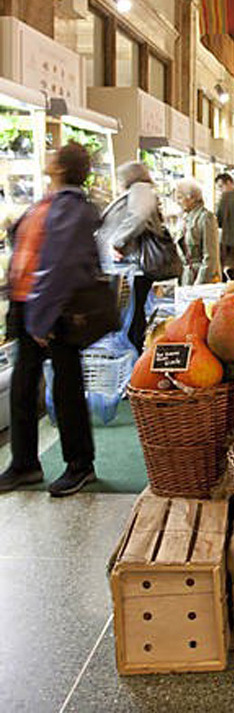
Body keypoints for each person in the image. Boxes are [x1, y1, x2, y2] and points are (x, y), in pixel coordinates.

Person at [0, 142, 100, 496]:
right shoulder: (50, 201)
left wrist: (43, 318)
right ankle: (24, 464)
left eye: (54, 153)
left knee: (66, 387)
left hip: (54, 310)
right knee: (24, 388)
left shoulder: (72, 207)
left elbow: (62, 266)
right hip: (27, 304)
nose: (48, 154)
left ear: (62, 166)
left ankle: (80, 464)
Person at [97, 161, 163, 354]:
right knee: (134, 314)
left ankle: (133, 359)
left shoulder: (140, 190)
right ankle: (133, 355)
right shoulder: (141, 190)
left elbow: (138, 217)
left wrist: (116, 241)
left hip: (134, 266)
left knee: (133, 316)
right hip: (131, 266)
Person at [175, 178, 220, 285]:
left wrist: (200, 283)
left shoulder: (206, 217)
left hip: (201, 278)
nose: (177, 202)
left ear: (192, 198)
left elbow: (210, 256)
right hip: (187, 277)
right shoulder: (185, 218)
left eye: (180, 198)